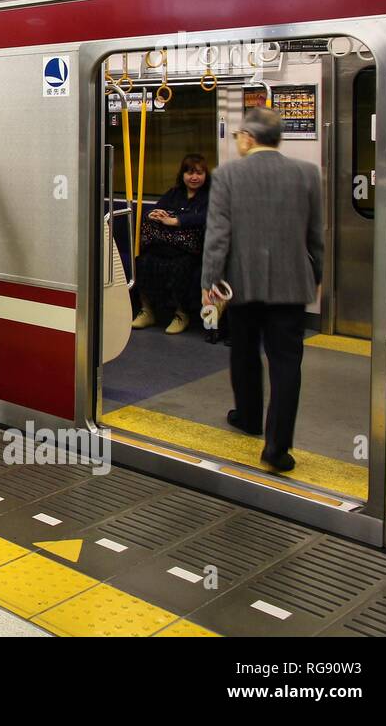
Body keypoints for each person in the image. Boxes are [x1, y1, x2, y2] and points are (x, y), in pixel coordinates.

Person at [201, 107, 323, 473]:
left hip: (242, 282)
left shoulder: (227, 175)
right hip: (292, 283)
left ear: (249, 138)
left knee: (244, 351)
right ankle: (277, 448)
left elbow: (218, 236)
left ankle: (249, 417)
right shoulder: (307, 173)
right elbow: (316, 235)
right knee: (286, 363)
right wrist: (314, 276)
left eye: (239, 134)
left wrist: (210, 283)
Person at [132, 153, 210, 334]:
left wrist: (177, 221)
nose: (194, 177)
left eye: (199, 173)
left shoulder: (209, 196)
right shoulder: (174, 193)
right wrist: (154, 214)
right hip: (165, 247)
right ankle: (147, 310)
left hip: (190, 250)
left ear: (206, 175)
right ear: (182, 175)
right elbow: (157, 208)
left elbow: (205, 217)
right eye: (189, 173)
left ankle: (181, 313)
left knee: (181, 267)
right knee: (143, 262)